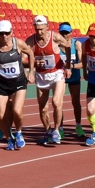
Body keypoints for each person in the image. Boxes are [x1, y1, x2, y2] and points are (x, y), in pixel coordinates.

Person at [0, 20, 35, 150]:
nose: (4, 37)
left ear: (11, 33)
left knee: (16, 110)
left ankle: (18, 132)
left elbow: (30, 53)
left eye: (7, 33)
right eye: (1, 34)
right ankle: (9, 139)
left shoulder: (18, 43)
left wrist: (31, 72)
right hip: (2, 84)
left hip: (18, 82)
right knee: (0, 115)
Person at [27, 15, 70, 145]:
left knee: (56, 102)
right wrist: (32, 70)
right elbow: (25, 55)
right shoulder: (31, 40)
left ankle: (57, 130)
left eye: (42, 29)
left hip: (57, 73)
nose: (39, 32)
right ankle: (48, 131)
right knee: (43, 108)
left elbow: (68, 46)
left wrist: (67, 66)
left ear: (47, 27)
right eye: (37, 29)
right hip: (41, 76)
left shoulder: (55, 37)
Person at [59, 22, 86, 139]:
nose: (65, 35)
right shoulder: (56, 45)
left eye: (67, 33)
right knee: (58, 103)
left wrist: (71, 67)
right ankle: (59, 128)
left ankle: (78, 126)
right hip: (60, 78)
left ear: (71, 33)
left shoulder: (76, 44)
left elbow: (82, 63)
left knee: (75, 102)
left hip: (74, 76)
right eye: (62, 33)